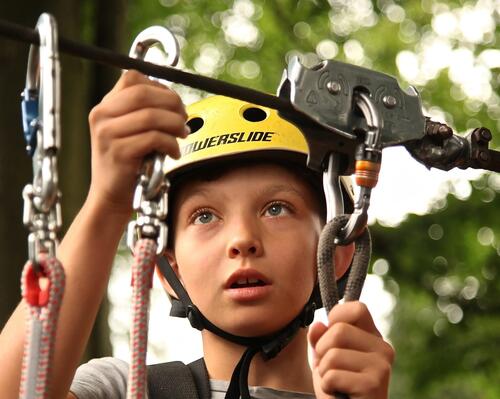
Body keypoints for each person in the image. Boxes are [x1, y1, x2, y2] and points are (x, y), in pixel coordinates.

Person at [0, 70, 394, 399]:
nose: (242, 239)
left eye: (277, 209)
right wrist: (106, 204)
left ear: (335, 252)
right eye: (205, 216)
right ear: (169, 270)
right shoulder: (127, 390)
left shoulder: (362, 391)